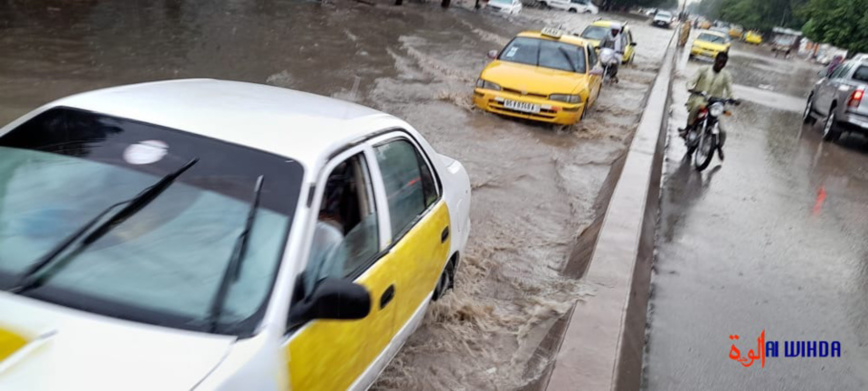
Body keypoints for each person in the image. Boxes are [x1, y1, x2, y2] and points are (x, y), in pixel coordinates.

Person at [681, 51, 734, 160]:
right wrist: (690, 86)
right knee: (696, 107)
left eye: (723, 63)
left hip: (716, 103)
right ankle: (688, 129)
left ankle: (719, 148)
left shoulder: (726, 75)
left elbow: (730, 89)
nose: (721, 64)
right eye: (720, 62)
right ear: (716, 60)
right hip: (701, 98)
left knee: (723, 130)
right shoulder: (704, 69)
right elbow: (692, 80)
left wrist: (733, 98)